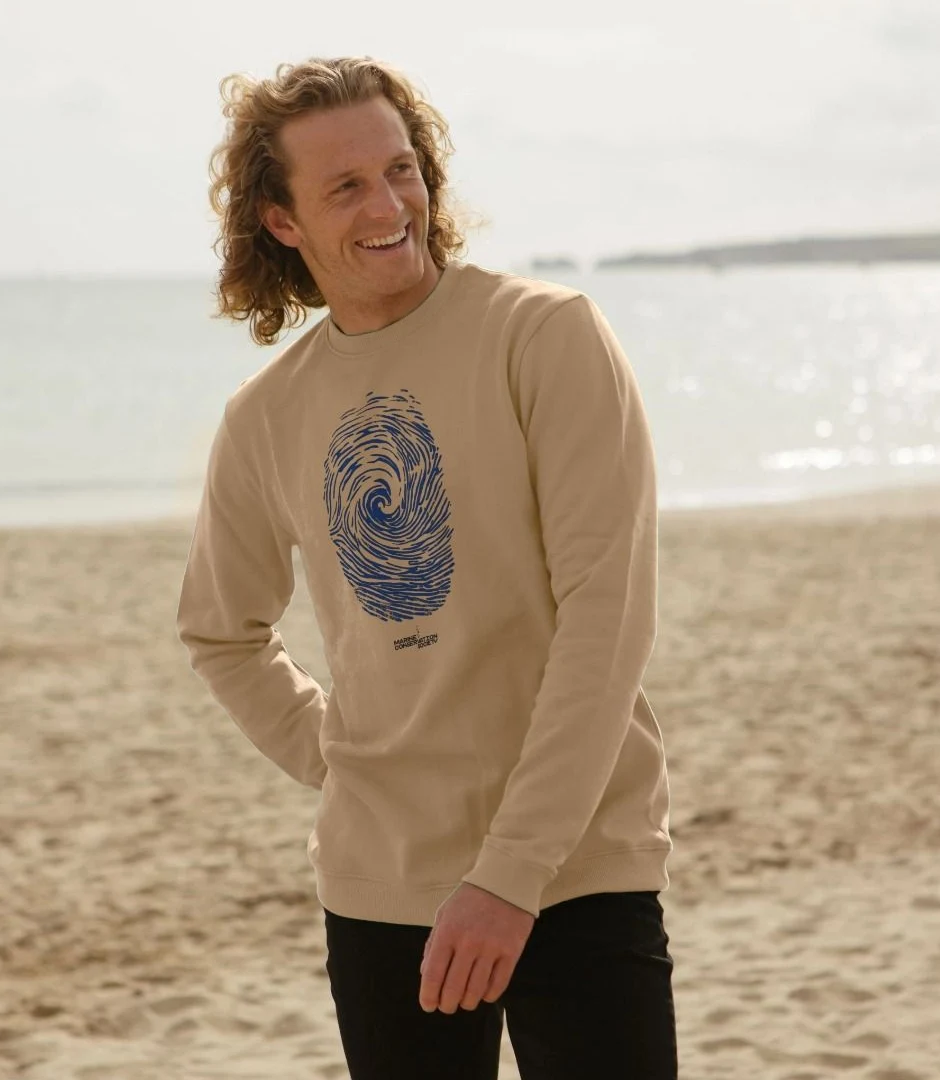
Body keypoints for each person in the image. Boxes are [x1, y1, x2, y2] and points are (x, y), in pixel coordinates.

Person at [176, 55, 678, 1080]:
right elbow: (222, 633)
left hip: (578, 868)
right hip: (381, 890)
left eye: (400, 169)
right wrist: (343, 759)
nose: (388, 205)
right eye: (346, 187)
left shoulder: (545, 337)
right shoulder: (265, 416)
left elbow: (607, 619)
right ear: (282, 221)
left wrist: (511, 872)